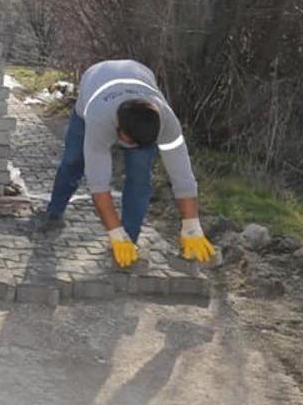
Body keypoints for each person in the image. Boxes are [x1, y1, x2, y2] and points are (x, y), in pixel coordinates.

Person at [33, 59, 215, 268]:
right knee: (73, 160)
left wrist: (192, 226)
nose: (131, 147)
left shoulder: (167, 123)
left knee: (139, 177)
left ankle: (130, 242)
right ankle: (54, 212)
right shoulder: (99, 119)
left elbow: (182, 176)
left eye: (139, 144)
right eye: (128, 142)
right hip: (95, 85)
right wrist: (113, 232)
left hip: (138, 75)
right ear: (117, 128)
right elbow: (98, 184)